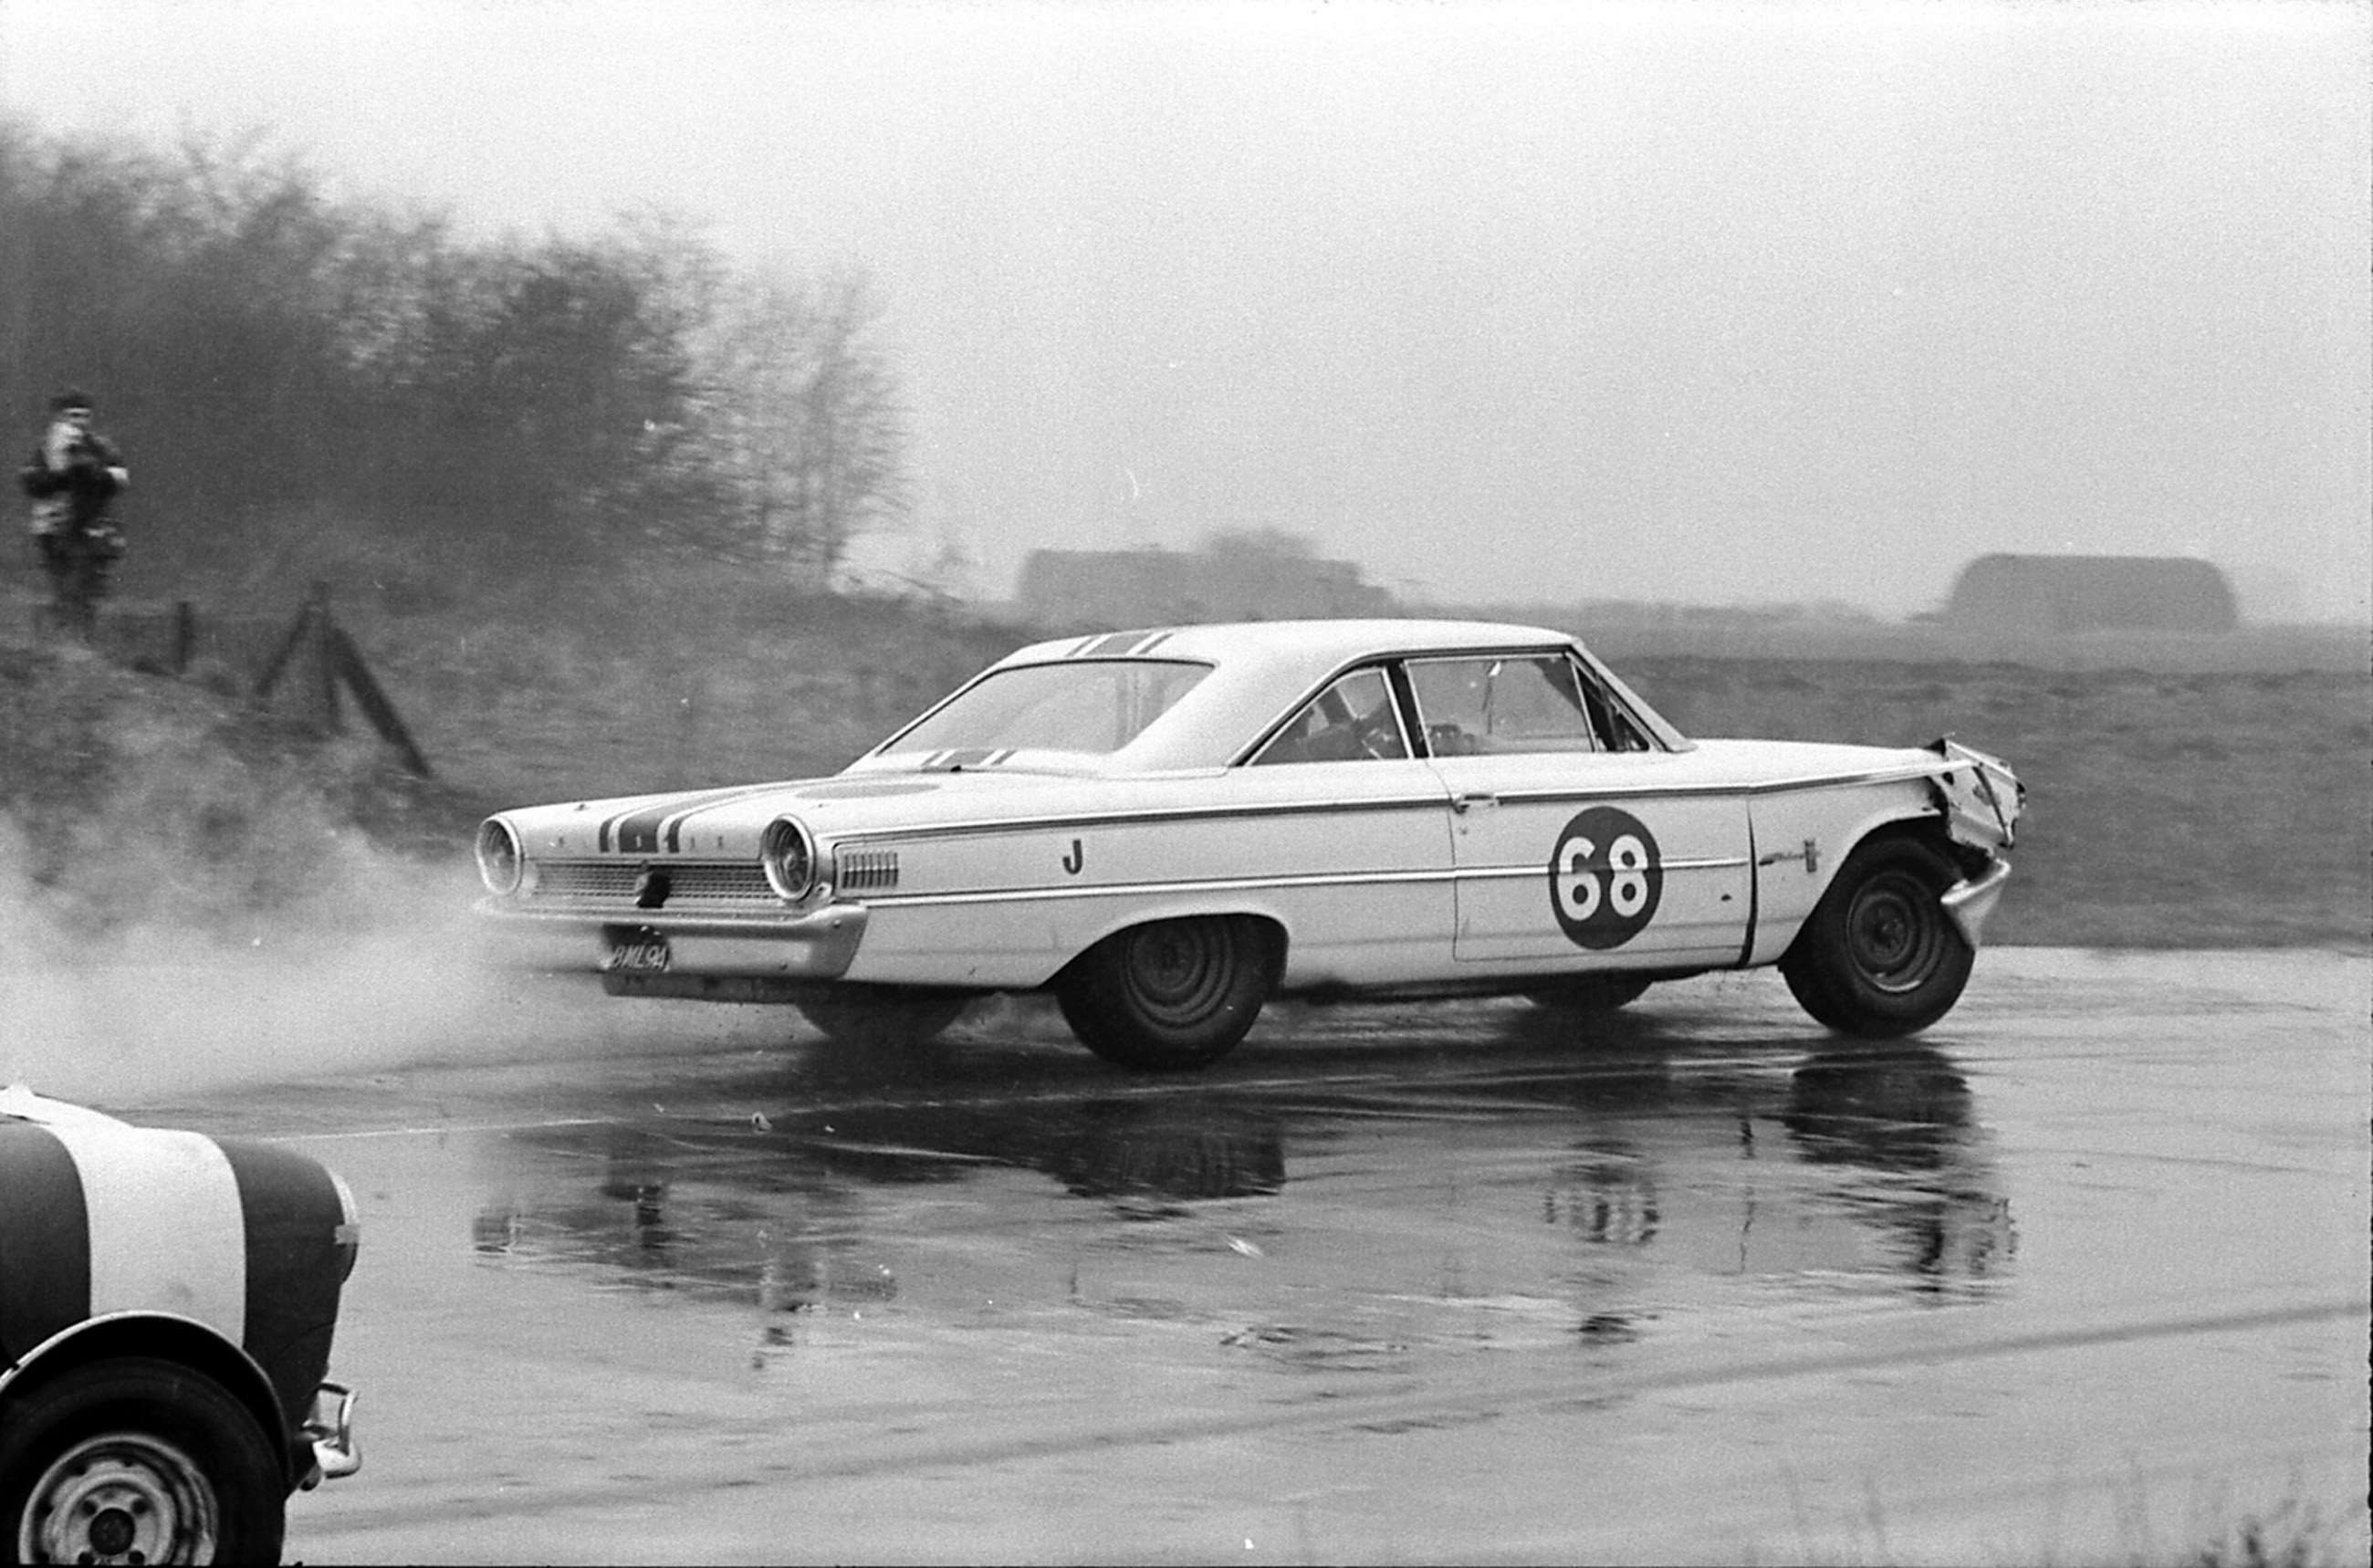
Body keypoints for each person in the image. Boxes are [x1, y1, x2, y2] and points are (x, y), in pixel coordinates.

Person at [18, 390, 129, 641]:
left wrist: (91, 475)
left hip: (89, 527)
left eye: (84, 415)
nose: (79, 421)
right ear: (61, 416)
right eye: (73, 415)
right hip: (53, 528)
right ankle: (64, 641)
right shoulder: (46, 448)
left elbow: (119, 480)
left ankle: (80, 640)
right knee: (62, 584)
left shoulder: (100, 447)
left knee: (85, 586)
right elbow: (30, 481)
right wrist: (60, 477)